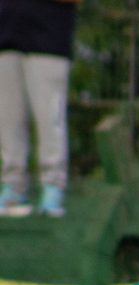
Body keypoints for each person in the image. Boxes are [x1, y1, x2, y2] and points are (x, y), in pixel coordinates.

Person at [0, 0, 79, 217]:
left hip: (49, 39)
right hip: (6, 36)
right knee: (8, 120)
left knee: (49, 118)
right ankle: (13, 188)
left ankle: (52, 187)